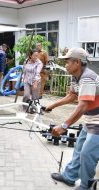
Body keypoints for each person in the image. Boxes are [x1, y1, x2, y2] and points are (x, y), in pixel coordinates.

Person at [47, 48, 99, 190]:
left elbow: (82, 107)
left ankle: (85, 186)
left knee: (87, 154)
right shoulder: (76, 76)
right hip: (91, 120)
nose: (65, 65)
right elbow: (72, 96)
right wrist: (53, 105)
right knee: (79, 149)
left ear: (77, 62)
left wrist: (64, 126)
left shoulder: (87, 77)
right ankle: (69, 176)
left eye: (67, 62)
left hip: (97, 122)